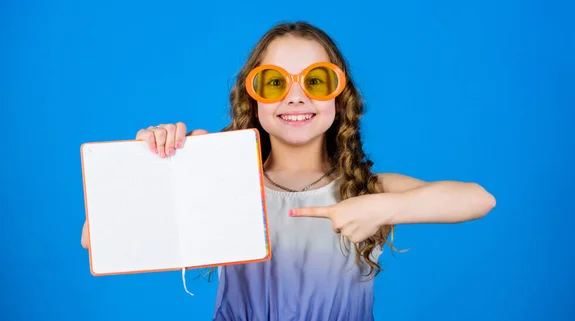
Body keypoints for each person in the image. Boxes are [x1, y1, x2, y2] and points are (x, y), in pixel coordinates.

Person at [80, 21, 495, 320]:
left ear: (340, 96)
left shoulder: (368, 191)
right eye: (275, 83)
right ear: (253, 97)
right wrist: (156, 165)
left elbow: (478, 199)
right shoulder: (224, 183)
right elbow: (93, 237)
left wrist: (383, 208)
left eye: (315, 81)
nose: (296, 97)